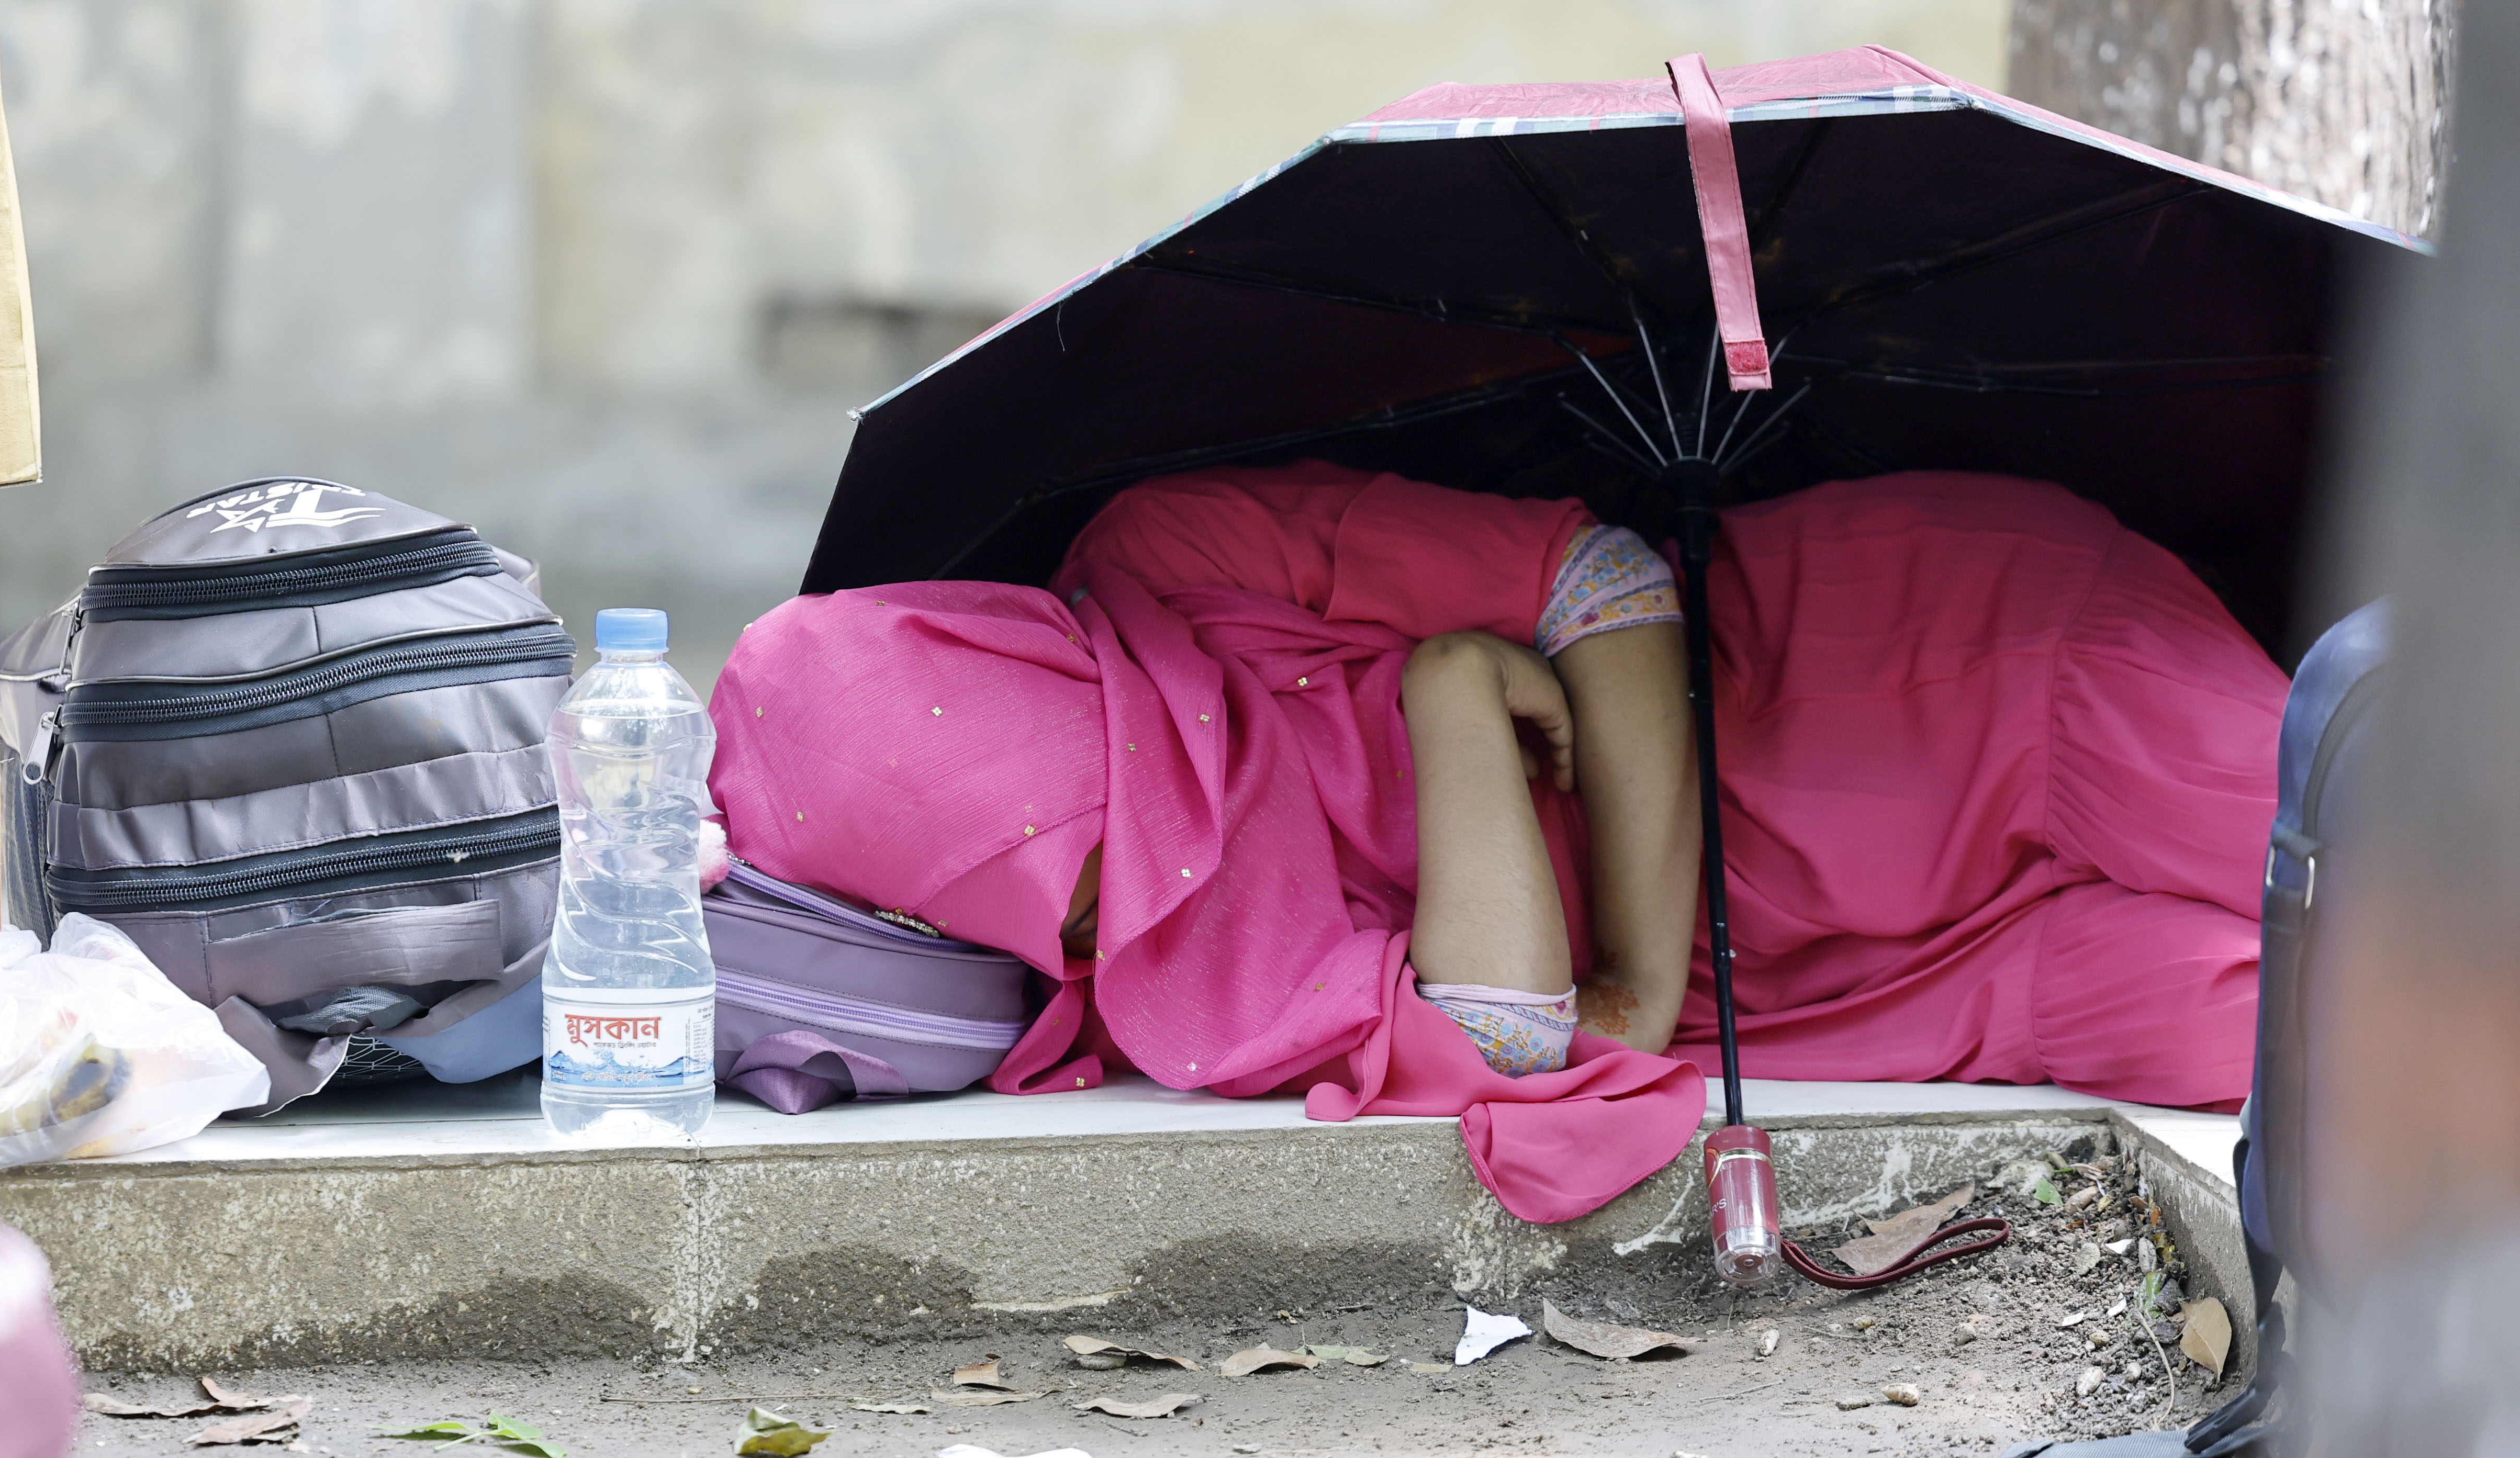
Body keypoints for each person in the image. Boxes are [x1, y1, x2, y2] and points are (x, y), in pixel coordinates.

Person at [707, 462, 2282, 1219]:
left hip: (1928, 667)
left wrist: (1641, 974)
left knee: (2395, 856)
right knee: (2345, 1029)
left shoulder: (1171, 556)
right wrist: (1453, 693)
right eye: (1060, 907)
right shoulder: (1165, 971)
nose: (1139, 884)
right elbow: (1511, 1036)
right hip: (1881, 977)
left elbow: (1602, 583)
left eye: (1097, 816)